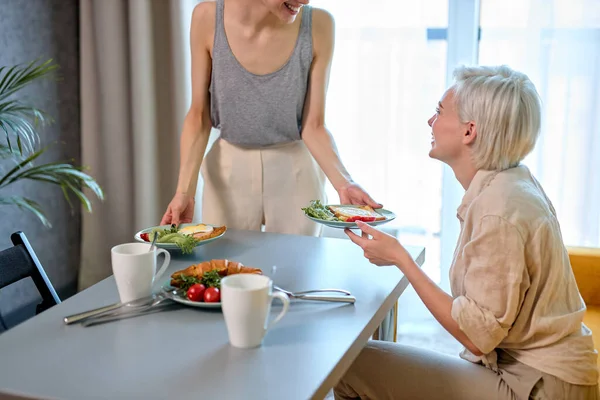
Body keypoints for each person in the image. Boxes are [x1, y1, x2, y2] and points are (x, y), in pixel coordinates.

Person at [336, 65, 600, 399]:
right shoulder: (511, 183)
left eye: (438, 112)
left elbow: (476, 337)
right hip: (535, 372)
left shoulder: (498, 209)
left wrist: (403, 260)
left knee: (349, 366)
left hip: (539, 386)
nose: (430, 122)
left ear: (469, 131)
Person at [160, 0, 380, 235]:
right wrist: (184, 192)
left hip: (296, 168)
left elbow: (313, 126)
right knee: (227, 266)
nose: (305, 1)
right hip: (228, 169)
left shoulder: (319, 24)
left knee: (297, 268)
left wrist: (344, 183)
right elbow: (199, 115)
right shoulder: (207, 17)